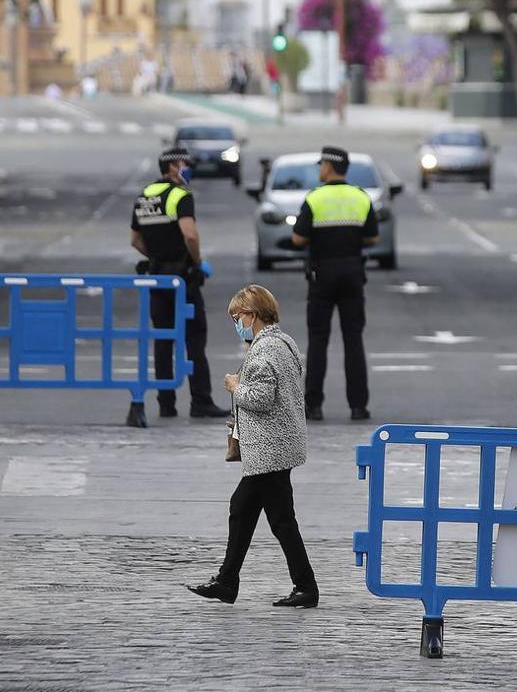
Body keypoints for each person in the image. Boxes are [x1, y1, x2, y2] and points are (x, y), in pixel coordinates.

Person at [187, 284, 319, 608]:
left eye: (237, 316)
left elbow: (260, 399)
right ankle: (228, 581)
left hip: (269, 448)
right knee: (246, 509)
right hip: (281, 444)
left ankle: (303, 587)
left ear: (253, 315)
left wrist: (235, 386)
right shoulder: (284, 342)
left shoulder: (263, 350)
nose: (236, 322)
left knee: (278, 520)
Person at [128, 146, 230, 423]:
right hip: (182, 279)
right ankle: (201, 401)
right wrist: (195, 263)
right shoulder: (180, 196)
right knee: (194, 338)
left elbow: (135, 240)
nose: (189, 169)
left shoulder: (144, 196)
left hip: (157, 276)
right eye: (186, 164)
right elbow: (190, 235)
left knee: (163, 340)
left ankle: (166, 403)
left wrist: (157, 258)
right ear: (173, 167)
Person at [290, 146, 378, 422]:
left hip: (322, 274)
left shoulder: (315, 198)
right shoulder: (361, 197)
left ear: (329, 166)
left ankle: (313, 405)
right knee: (354, 341)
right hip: (352, 272)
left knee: (318, 340)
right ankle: (358, 406)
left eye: (321, 165)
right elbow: (372, 237)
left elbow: (298, 239)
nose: (319, 169)